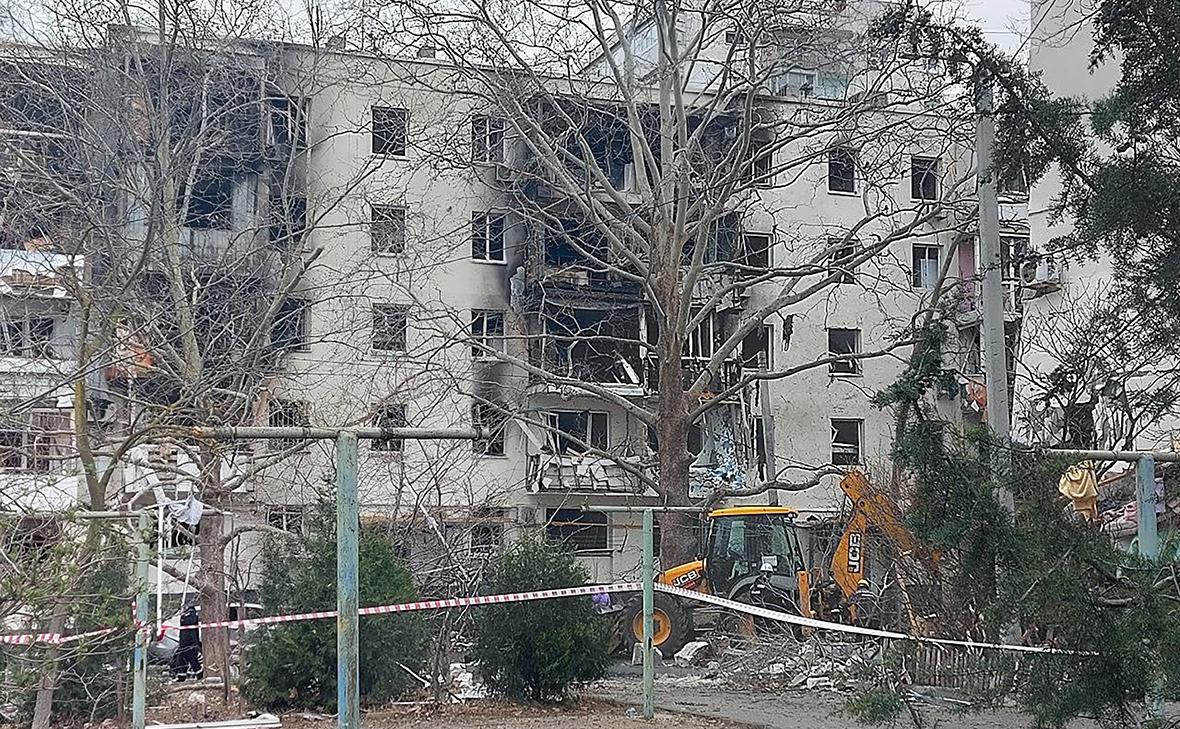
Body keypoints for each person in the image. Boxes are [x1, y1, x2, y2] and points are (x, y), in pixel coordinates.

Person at [171, 604, 203, 680]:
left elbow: (190, 621)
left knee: (191, 658)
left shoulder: (192, 613)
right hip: (183, 640)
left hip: (190, 641)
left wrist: (183, 618)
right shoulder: (185, 614)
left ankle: (199, 672)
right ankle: (181, 675)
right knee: (181, 658)